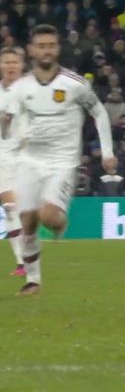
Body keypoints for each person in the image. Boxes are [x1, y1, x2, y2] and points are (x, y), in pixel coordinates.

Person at [3, 25, 116, 295]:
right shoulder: (22, 87)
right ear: (31, 51)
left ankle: (58, 223)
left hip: (62, 162)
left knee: (48, 217)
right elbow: (7, 129)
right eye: (41, 45)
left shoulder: (74, 84)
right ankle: (33, 281)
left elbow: (99, 113)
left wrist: (108, 152)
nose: (46, 50)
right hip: (29, 161)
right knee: (27, 219)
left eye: (51, 45)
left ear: (58, 48)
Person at [0, 47, 26, 277]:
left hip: (20, 155)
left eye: (14, 62)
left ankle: (23, 261)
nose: (10, 65)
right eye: (6, 61)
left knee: (12, 207)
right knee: (10, 209)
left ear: (20, 65)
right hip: (3, 155)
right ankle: (21, 262)